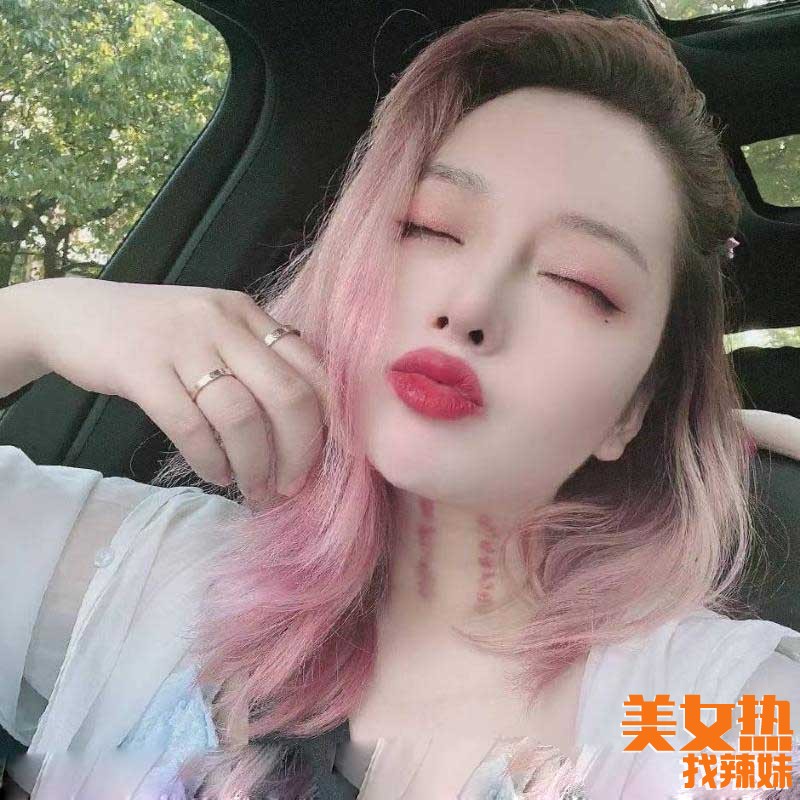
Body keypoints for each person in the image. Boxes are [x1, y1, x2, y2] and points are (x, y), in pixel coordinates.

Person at [1, 6, 799, 799]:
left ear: (632, 410)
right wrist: (39, 319)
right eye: (429, 228)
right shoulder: (147, 584)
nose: (471, 305)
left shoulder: (710, 716)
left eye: (577, 280)